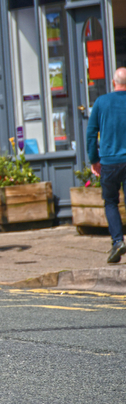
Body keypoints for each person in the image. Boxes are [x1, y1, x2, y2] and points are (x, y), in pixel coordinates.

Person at [87, 67, 126, 263]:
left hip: (109, 161)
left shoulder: (101, 102)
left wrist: (94, 159)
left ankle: (118, 241)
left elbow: (91, 133)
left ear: (113, 82)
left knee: (111, 201)